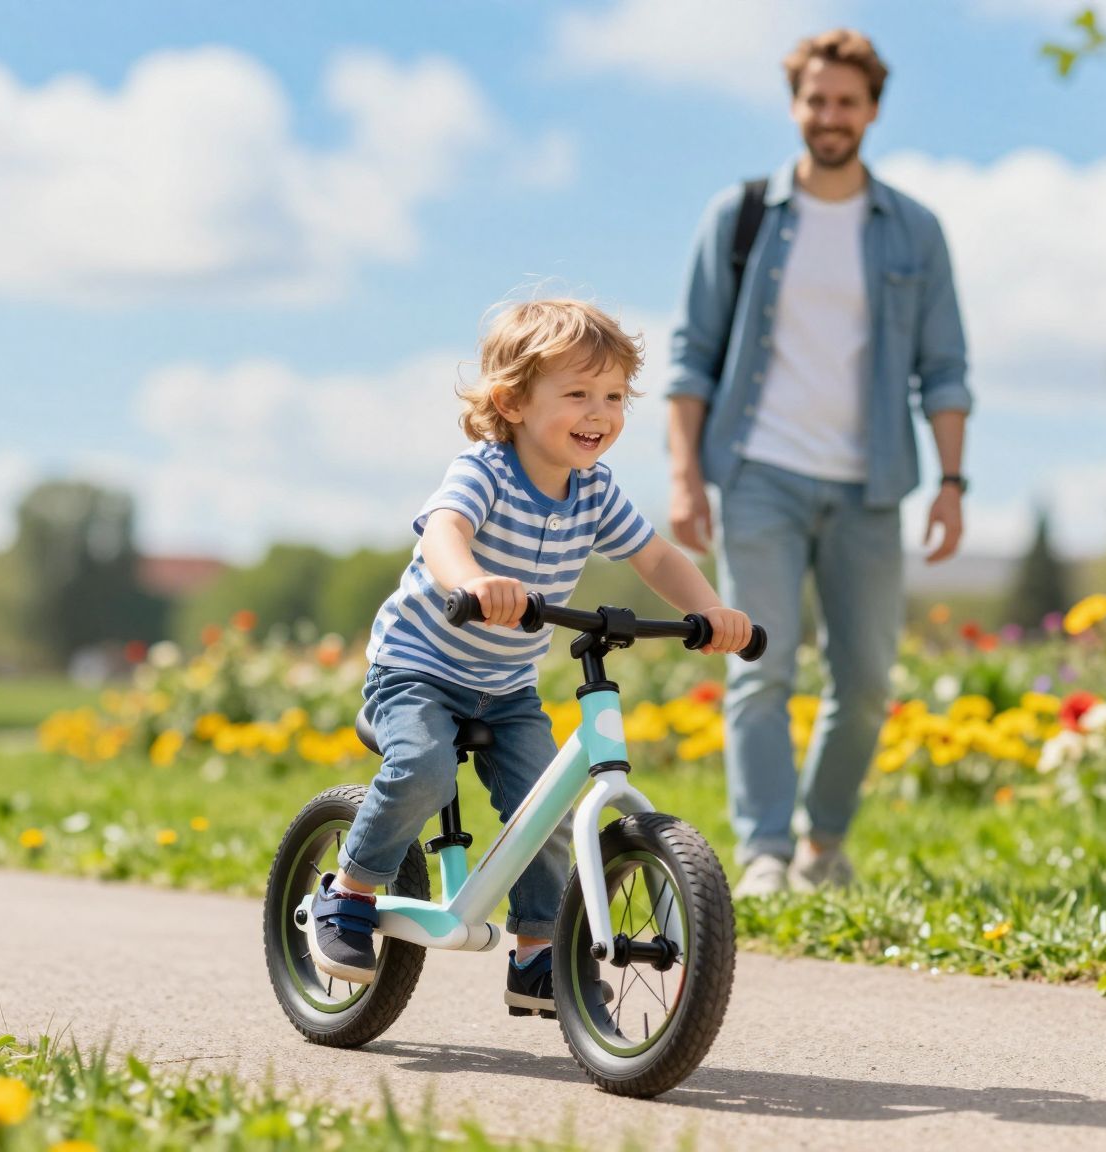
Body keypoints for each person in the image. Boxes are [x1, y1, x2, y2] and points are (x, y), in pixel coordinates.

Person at [309, 299, 753, 1018]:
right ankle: (350, 893)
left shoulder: (595, 491)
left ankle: (536, 954)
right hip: (417, 668)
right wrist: (472, 583)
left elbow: (655, 555)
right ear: (513, 401)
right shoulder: (484, 471)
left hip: (503, 685)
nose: (599, 412)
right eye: (577, 393)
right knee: (421, 768)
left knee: (543, 809)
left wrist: (711, 609)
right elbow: (443, 533)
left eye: (613, 397)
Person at [667, 29, 971, 898]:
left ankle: (821, 844)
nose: (829, 116)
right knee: (760, 663)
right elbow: (693, 358)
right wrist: (687, 477)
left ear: (871, 109)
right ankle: (763, 852)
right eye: (815, 100)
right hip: (759, 471)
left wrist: (951, 483)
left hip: (871, 483)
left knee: (868, 680)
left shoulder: (914, 230)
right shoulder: (743, 216)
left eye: (846, 102)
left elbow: (944, 369)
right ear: (795, 106)